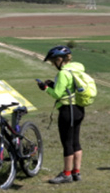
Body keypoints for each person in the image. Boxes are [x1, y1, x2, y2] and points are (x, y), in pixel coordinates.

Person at [36, 45, 88, 184]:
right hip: (78, 108)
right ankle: (76, 172)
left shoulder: (63, 73)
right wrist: (53, 85)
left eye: (53, 62)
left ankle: (66, 174)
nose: (53, 64)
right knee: (76, 141)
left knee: (67, 143)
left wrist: (46, 88)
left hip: (67, 110)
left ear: (60, 59)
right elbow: (68, 89)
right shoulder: (76, 69)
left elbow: (58, 94)